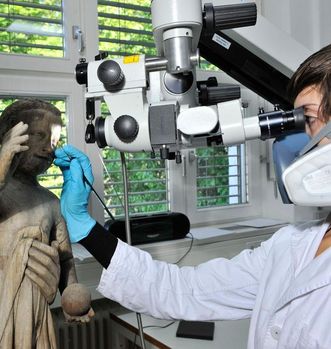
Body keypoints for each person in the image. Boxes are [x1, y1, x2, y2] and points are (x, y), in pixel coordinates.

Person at [54, 44, 331, 349]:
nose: (295, 141)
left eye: (307, 119)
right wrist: (86, 229)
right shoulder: (293, 244)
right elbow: (183, 290)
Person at [0, 99, 93, 349]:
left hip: (37, 312)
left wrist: (71, 292)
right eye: (39, 135)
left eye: (53, 139)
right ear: (10, 136)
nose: (48, 147)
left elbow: (65, 257)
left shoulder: (50, 202)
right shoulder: (3, 191)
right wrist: (2, 161)